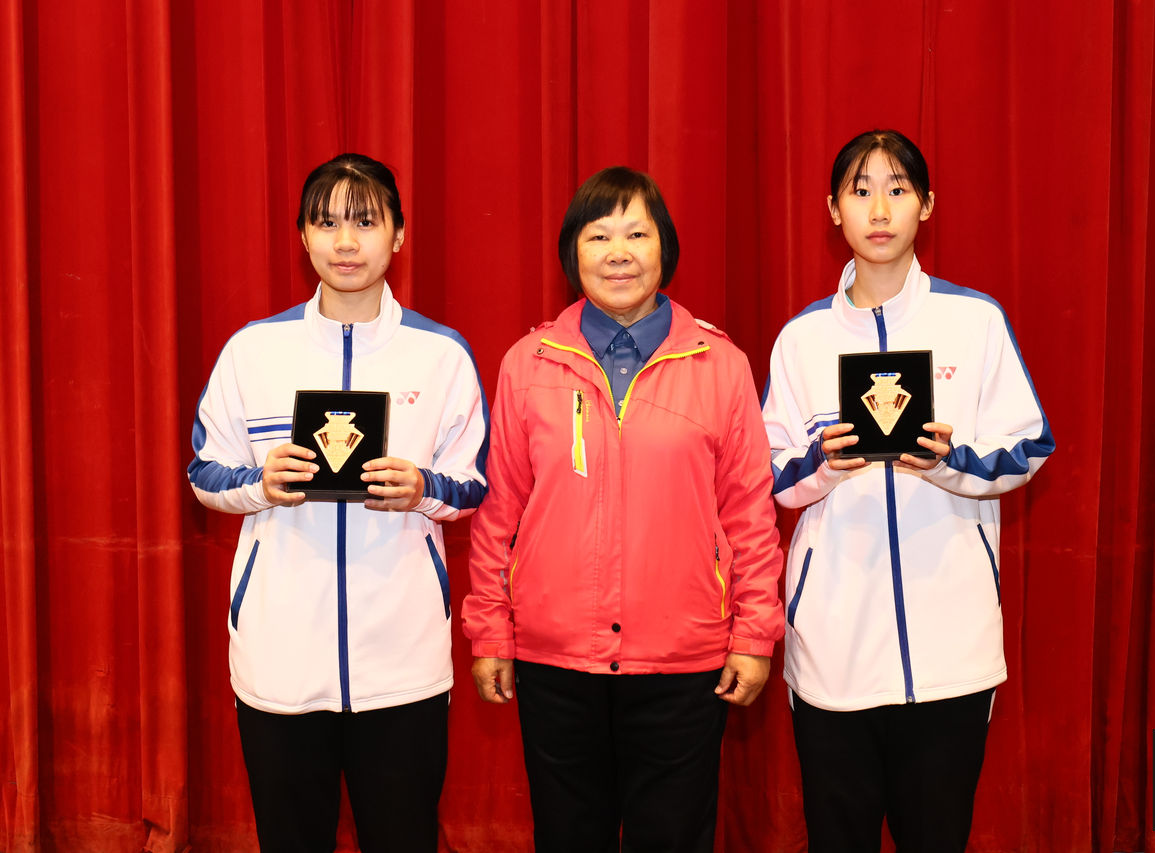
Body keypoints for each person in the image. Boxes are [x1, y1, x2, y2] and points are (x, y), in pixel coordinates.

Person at [462, 166, 783, 852]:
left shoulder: (721, 365)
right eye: (599, 235)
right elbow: (499, 511)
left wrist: (755, 636)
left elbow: (750, 515)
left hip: (683, 661)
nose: (618, 252)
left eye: (637, 234)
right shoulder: (528, 364)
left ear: (665, 247)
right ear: (571, 252)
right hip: (555, 658)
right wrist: (489, 630)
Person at [761, 130, 1054, 852]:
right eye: (860, 191)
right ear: (833, 210)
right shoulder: (802, 338)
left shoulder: (974, 321)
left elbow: (1030, 446)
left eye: (898, 189)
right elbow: (769, 475)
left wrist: (950, 462)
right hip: (832, 650)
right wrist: (824, 464)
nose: (880, 209)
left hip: (952, 650)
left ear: (927, 204)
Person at [187, 153, 488, 852]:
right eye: (326, 224)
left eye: (365, 222)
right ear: (302, 236)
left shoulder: (441, 355)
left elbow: (475, 483)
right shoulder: (253, 352)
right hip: (280, 659)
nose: (345, 242)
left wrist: (424, 489)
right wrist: (259, 482)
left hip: (404, 662)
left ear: (399, 235)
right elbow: (203, 472)